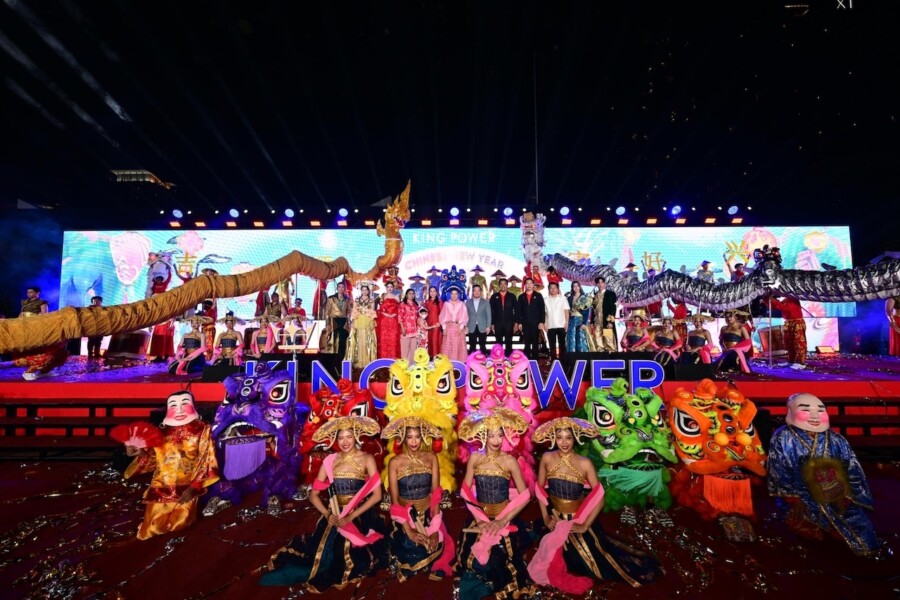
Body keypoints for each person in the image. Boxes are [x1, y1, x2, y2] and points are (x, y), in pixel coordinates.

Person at [528, 417, 660, 592]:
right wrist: (546, 518)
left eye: (568, 437)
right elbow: (539, 490)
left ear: (575, 438)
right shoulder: (547, 458)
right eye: (559, 438)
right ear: (553, 438)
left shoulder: (585, 463)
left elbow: (599, 497)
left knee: (591, 565)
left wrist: (584, 525)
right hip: (555, 519)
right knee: (555, 558)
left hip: (577, 520)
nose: (564, 442)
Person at [261, 416, 386, 590]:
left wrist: (351, 517)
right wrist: (327, 514)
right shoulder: (330, 461)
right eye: (341, 438)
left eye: (349, 437)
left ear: (356, 436)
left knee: (346, 553)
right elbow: (314, 495)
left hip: (360, 515)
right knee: (320, 553)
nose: (345, 442)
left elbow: (377, 495)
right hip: (334, 513)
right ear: (335, 439)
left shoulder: (367, 458)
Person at [768, 393, 880, 557]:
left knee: (861, 529)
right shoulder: (782, 437)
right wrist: (792, 497)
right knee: (801, 526)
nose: (814, 416)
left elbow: (852, 469)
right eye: (806, 410)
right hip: (801, 494)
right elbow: (778, 468)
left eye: (820, 410)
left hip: (835, 492)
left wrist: (849, 495)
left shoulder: (836, 439)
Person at [456, 408, 534, 600]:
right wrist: (480, 521)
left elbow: (525, 495)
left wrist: (501, 521)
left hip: (504, 517)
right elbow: (465, 491)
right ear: (484, 435)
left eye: (500, 435)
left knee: (503, 559)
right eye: (492, 435)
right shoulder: (475, 458)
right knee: (471, 560)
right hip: (479, 517)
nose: (497, 440)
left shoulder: (509, 460)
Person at [122, 391, 219, 540]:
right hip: (160, 487)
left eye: (184, 404)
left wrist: (195, 486)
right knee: (151, 529)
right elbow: (154, 460)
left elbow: (207, 458)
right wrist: (141, 453)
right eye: (174, 405)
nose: (179, 410)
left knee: (180, 525)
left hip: (187, 488)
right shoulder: (159, 432)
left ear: (194, 406)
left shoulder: (202, 430)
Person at [383, 416, 454, 580]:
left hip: (429, 513)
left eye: (417, 437)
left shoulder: (431, 457)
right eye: (409, 437)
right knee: (410, 546)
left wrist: (435, 529)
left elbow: (435, 494)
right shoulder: (395, 462)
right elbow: (395, 501)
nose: (414, 441)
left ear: (423, 437)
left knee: (436, 544)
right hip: (405, 516)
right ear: (403, 438)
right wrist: (410, 531)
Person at [345, 284, 378, 368]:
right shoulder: (357, 299)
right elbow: (354, 310)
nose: (364, 291)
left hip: (367, 320)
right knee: (358, 340)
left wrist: (371, 320)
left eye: (366, 290)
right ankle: (359, 361)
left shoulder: (371, 300)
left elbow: (372, 311)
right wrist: (353, 321)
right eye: (363, 290)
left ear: (368, 291)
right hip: (358, 320)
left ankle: (367, 361)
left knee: (367, 340)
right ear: (361, 291)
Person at [771, 295, 808, 369]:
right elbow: (776, 307)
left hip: (797, 322)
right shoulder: (786, 299)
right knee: (789, 343)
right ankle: (791, 361)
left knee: (799, 343)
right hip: (788, 323)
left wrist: (773, 300)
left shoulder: (793, 299)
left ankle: (802, 363)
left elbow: (784, 307)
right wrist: (768, 300)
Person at [516, 277, 546, 360]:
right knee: (527, 342)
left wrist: (542, 322)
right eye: (527, 283)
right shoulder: (521, 297)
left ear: (533, 285)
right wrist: (519, 322)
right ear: (525, 285)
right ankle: (527, 360)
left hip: (536, 323)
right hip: (525, 323)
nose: (529, 285)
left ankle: (535, 360)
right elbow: (518, 311)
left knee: (535, 342)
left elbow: (542, 309)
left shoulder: (538, 296)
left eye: (530, 283)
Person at [590, 276, 618, 352]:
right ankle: (600, 350)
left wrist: (610, 321)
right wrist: (592, 321)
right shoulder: (595, 295)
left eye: (602, 282)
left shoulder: (610, 293)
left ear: (605, 283)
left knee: (608, 335)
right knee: (597, 334)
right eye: (598, 283)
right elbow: (593, 309)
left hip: (606, 318)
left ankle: (610, 350)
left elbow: (612, 307)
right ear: (596, 284)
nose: (600, 284)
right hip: (597, 319)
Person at [439, 288, 467, 362]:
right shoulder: (446, 304)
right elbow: (442, 316)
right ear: (450, 295)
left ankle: (459, 364)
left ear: (458, 295)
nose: (454, 295)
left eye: (456, 294)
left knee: (458, 346)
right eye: (452, 294)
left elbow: (465, 316)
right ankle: (447, 363)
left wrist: (461, 327)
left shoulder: (462, 304)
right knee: (448, 346)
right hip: (448, 328)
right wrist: (444, 328)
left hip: (458, 327)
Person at [489, 278, 516, 354]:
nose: (503, 285)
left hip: (509, 323)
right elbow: (491, 311)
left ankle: (508, 357)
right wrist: (492, 323)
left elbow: (517, 310)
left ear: (507, 285)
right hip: (498, 323)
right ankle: (499, 356)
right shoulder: (494, 296)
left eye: (504, 284)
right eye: (501, 284)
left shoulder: (512, 296)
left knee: (509, 341)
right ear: (499, 285)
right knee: (498, 341)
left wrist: (516, 323)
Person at [325, 282, 352, 357]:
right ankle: (333, 358)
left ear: (344, 289)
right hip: (334, 321)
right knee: (334, 340)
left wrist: (349, 322)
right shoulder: (331, 298)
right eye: (339, 287)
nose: (341, 288)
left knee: (343, 341)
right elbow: (327, 312)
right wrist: (327, 323)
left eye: (342, 287)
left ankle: (341, 357)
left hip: (344, 321)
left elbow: (349, 311)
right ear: (337, 288)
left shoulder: (347, 299)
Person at [544, 282, 569, 359]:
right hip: (550, 325)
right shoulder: (545, 300)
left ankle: (563, 361)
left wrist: (567, 322)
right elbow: (545, 313)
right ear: (548, 289)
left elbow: (566, 310)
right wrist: (545, 323)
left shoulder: (563, 298)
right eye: (551, 288)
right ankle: (554, 361)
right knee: (552, 345)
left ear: (558, 289)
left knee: (562, 344)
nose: (553, 289)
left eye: (554, 288)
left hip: (561, 325)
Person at [377, 282, 401, 359]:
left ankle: (392, 358)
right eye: (388, 287)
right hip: (384, 320)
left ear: (393, 288)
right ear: (386, 288)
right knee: (384, 338)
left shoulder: (396, 297)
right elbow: (379, 309)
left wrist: (394, 314)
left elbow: (399, 309)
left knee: (393, 338)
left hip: (394, 320)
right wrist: (386, 314)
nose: (389, 288)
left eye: (391, 287)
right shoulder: (382, 296)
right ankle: (383, 358)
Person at [465, 284, 491, 355]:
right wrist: (466, 326)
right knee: (472, 346)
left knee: (483, 346)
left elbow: (488, 315)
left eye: (478, 290)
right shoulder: (468, 302)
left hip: (482, 326)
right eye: (475, 290)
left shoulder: (485, 302)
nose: (476, 292)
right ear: (472, 292)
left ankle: (483, 359)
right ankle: (471, 359)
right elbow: (465, 315)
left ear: (481, 292)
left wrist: (488, 326)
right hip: (471, 326)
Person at [566, 282, 591, 352]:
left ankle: (582, 355)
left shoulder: (584, 297)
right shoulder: (569, 298)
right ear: (572, 288)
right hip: (571, 320)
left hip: (581, 319)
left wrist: (584, 323)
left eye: (577, 286)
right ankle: (571, 355)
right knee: (571, 337)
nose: (576, 288)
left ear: (580, 287)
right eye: (574, 286)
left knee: (580, 338)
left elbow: (587, 311)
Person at [399, 289, 420, 362]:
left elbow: (417, 317)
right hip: (406, 329)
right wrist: (402, 328)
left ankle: (412, 366)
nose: (411, 295)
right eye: (409, 293)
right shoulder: (403, 304)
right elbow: (400, 317)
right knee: (405, 350)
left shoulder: (415, 305)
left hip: (414, 330)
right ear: (406, 295)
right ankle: (404, 365)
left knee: (413, 350)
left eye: (413, 294)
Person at [424, 286, 443, 359]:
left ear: (437, 292)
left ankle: (436, 357)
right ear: (429, 292)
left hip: (436, 324)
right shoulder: (426, 302)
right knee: (429, 340)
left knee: (435, 340)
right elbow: (424, 313)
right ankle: (430, 357)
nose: (432, 293)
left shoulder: (439, 302)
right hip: (428, 325)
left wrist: (439, 322)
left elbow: (442, 314)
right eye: (431, 291)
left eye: (434, 291)